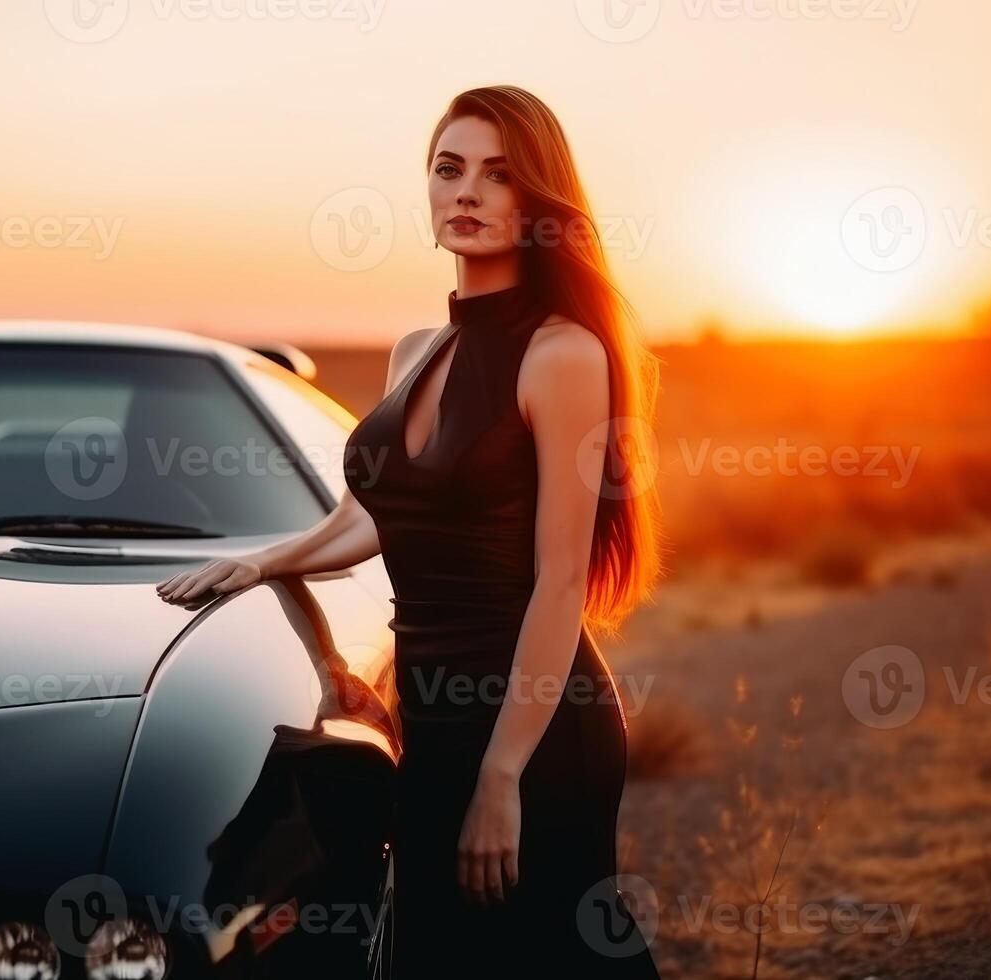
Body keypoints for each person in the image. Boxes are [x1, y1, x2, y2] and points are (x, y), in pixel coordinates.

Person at [157, 84, 665, 978]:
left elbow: (561, 583)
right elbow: (370, 516)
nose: (467, 192)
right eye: (449, 169)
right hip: (432, 721)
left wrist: (503, 775)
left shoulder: (563, 354)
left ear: (540, 205)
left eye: (500, 176)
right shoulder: (415, 350)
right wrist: (261, 563)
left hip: (538, 730)